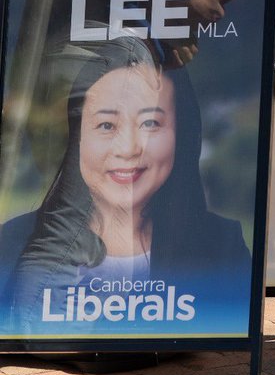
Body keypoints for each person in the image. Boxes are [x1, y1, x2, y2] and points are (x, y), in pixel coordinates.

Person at [0, 35, 251, 333]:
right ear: (78, 138)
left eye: (150, 124)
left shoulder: (221, 246)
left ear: (182, 135)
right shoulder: (13, 245)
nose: (129, 147)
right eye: (106, 125)